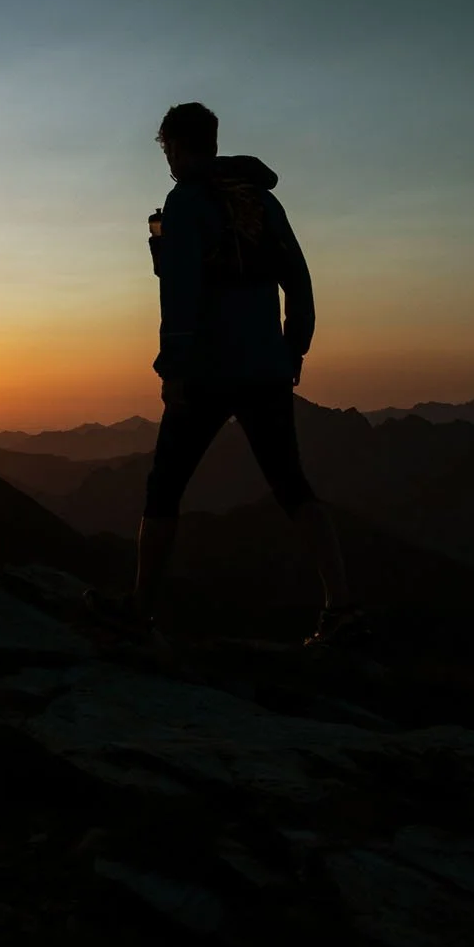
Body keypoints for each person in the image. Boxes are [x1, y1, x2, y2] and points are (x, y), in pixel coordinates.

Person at [89, 102, 359, 646]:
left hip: (207, 371)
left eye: (166, 148)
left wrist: (174, 367)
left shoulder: (185, 202)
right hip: (266, 368)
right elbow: (298, 279)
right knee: (292, 483)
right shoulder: (261, 200)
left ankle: (140, 611)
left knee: (165, 485)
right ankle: (341, 608)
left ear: (174, 147)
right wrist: (293, 349)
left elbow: (180, 292)